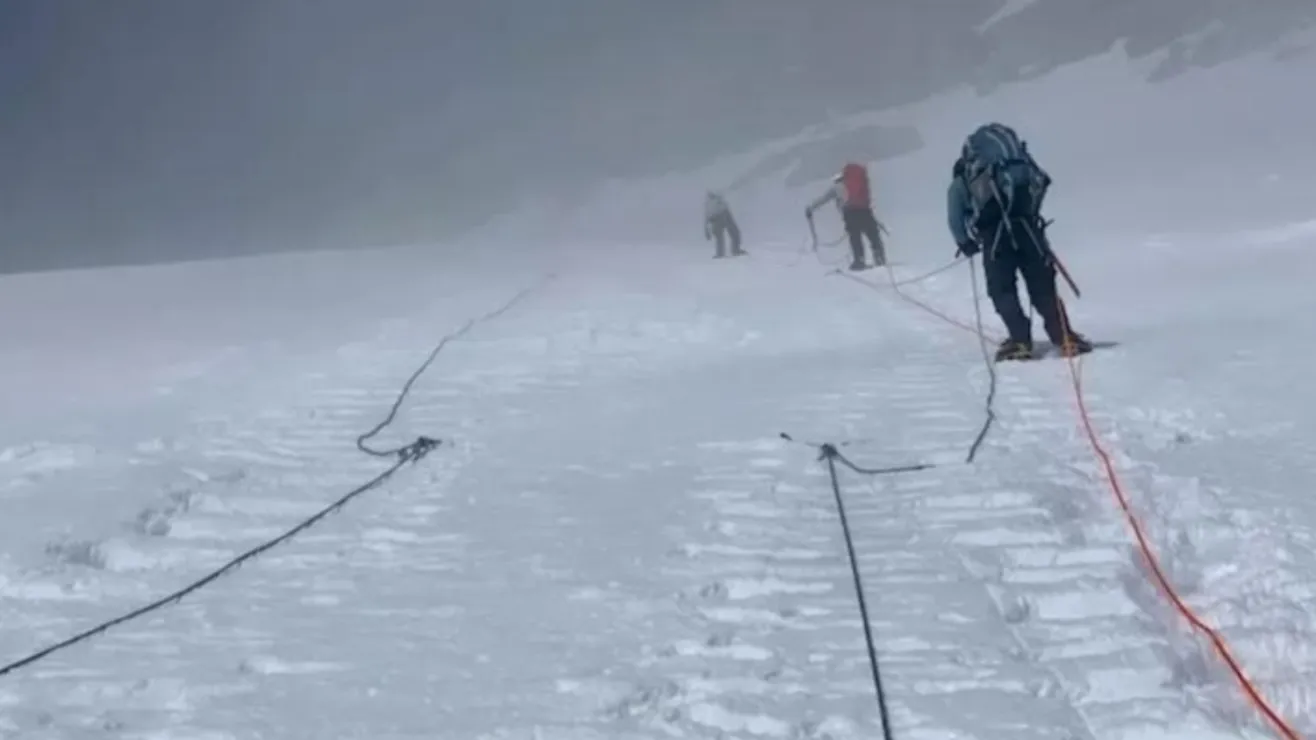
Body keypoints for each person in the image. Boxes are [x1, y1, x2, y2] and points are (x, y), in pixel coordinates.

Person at [948, 123, 1092, 361]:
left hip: (995, 237)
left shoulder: (963, 179)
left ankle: (1020, 340)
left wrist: (966, 243)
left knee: (1002, 288)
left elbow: (955, 217)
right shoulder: (1018, 165)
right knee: (1042, 285)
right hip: (1028, 229)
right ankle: (1063, 336)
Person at [805, 162, 886, 270]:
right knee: (873, 235)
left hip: (850, 214)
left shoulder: (836, 187)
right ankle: (880, 259)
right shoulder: (859, 184)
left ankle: (859, 261)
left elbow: (823, 199)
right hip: (865, 211)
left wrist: (811, 208)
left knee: (855, 237)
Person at [704, 191, 745, 259]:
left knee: (735, 232)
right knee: (720, 237)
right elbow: (707, 216)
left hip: (725, 213)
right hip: (716, 217)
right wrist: (706, 230)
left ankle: (735, 250)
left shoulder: (718, 199)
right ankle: (720, 254)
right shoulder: (709, 203)